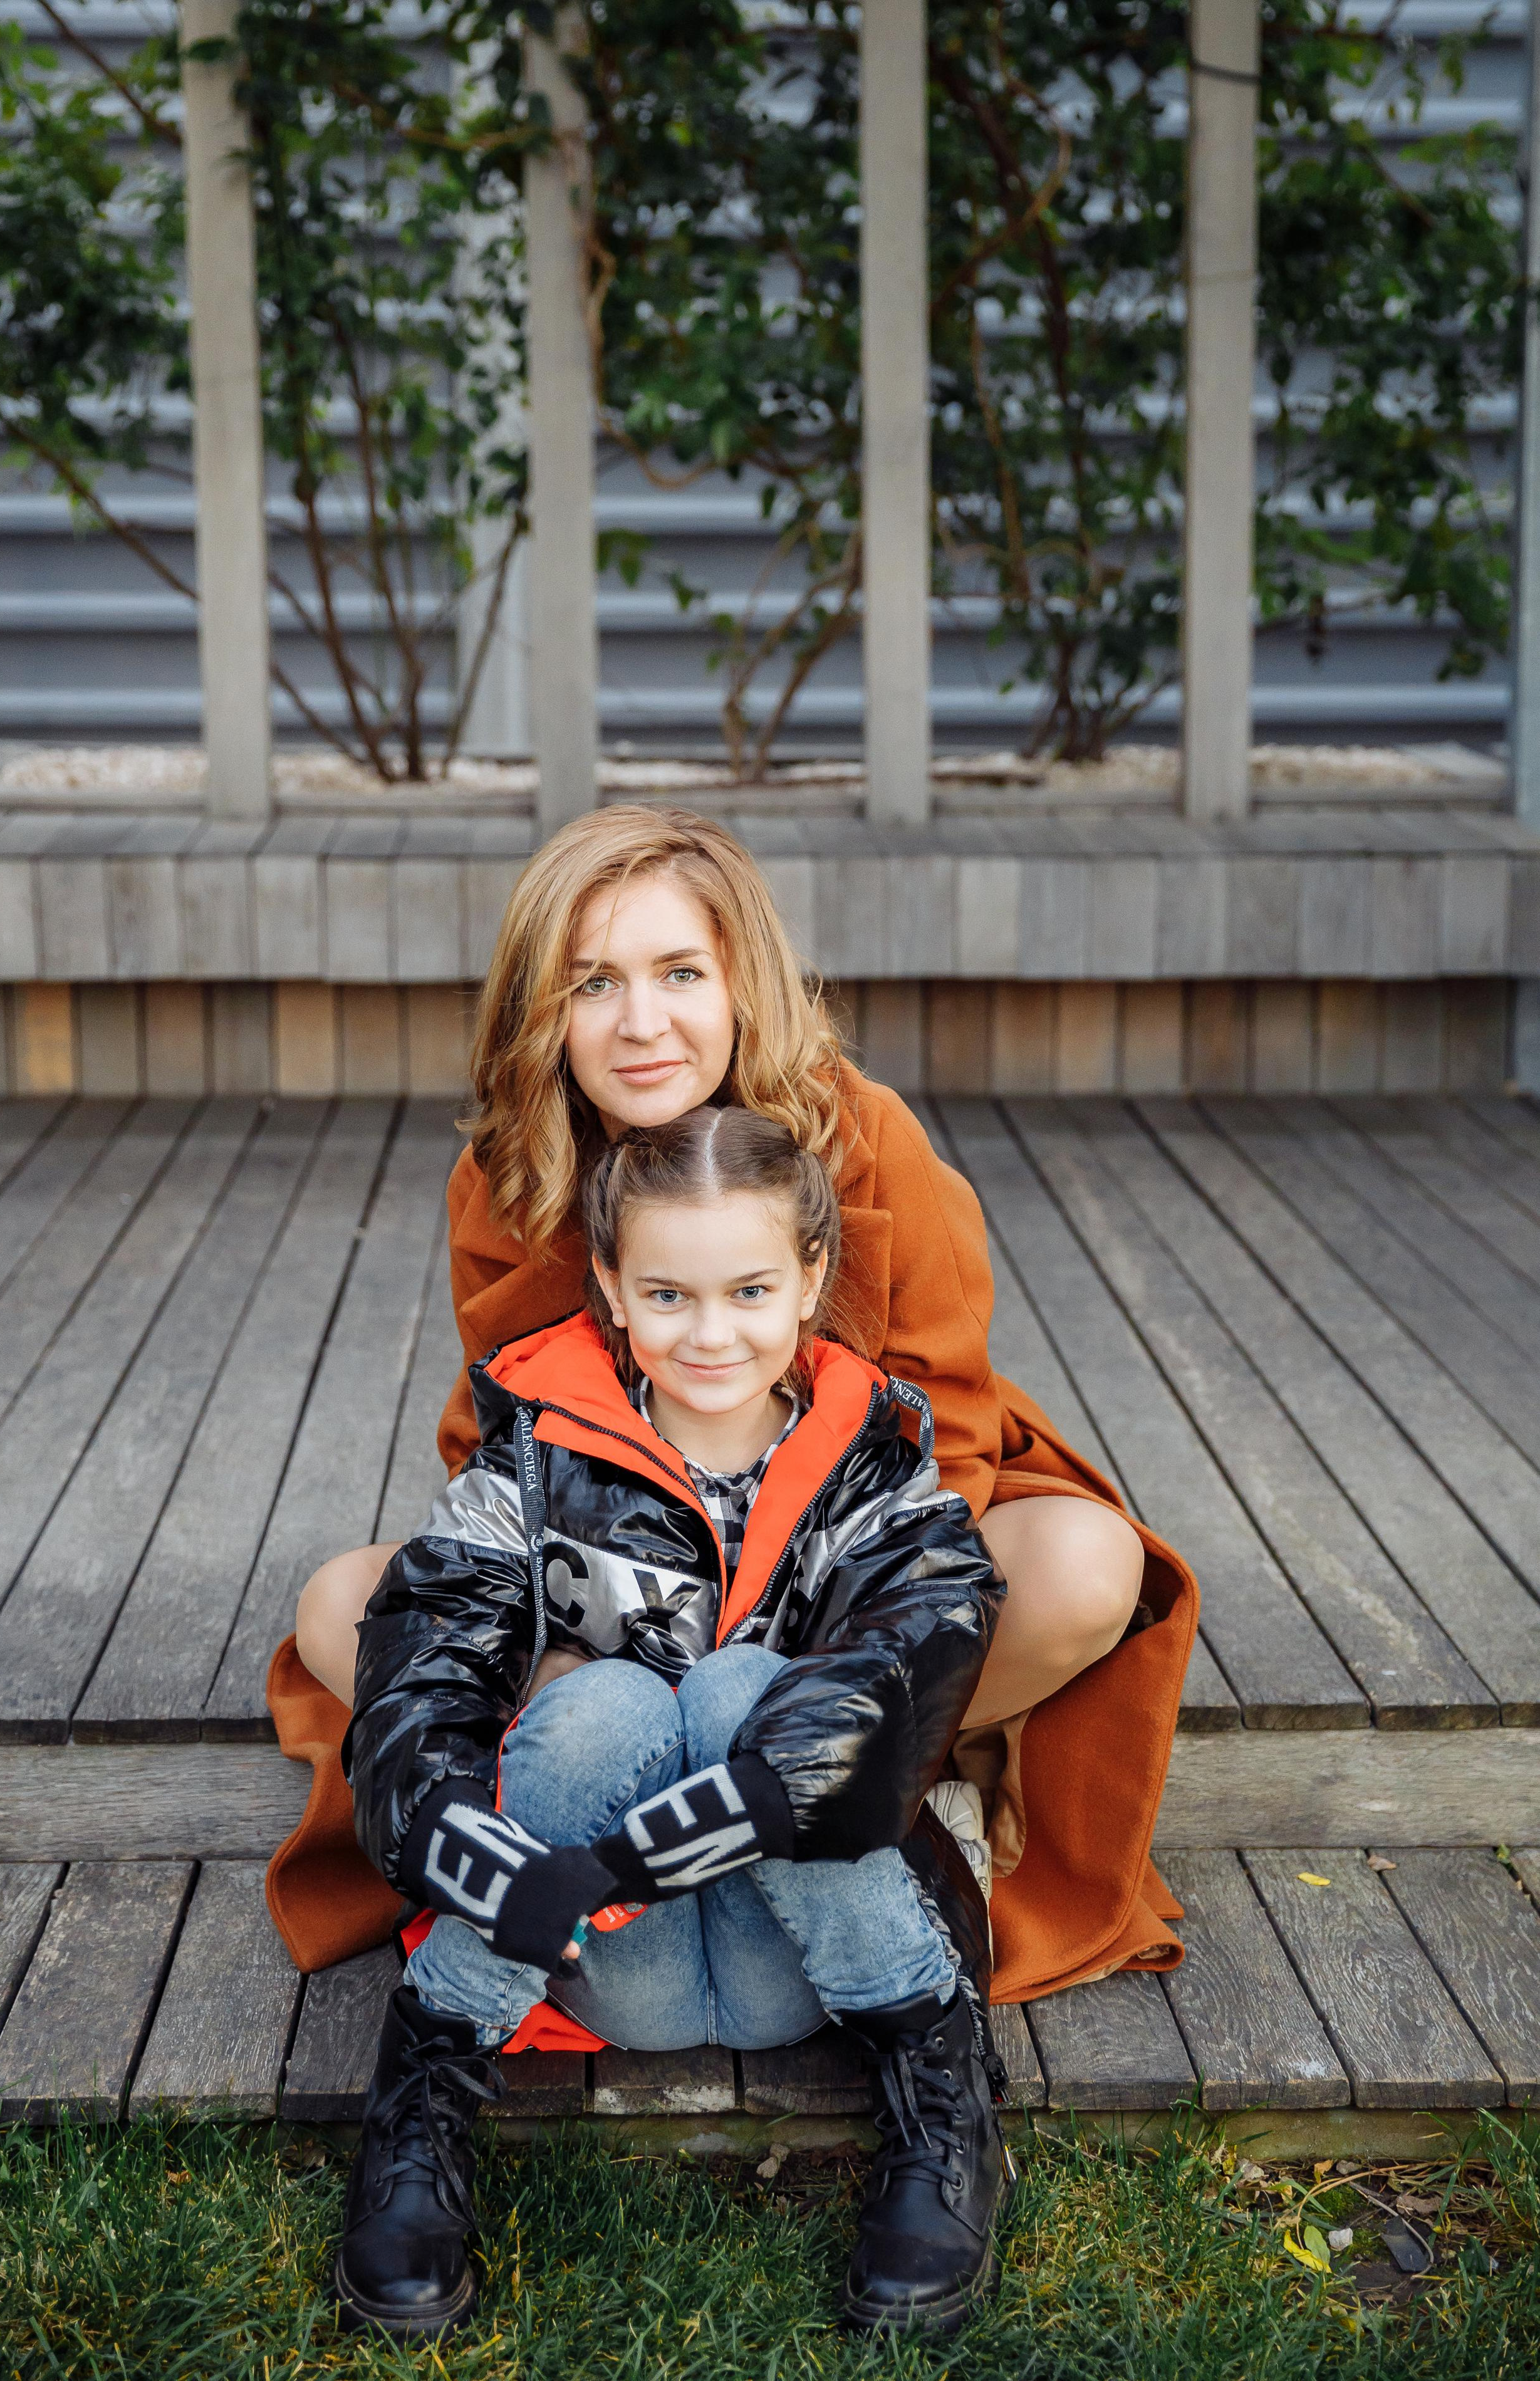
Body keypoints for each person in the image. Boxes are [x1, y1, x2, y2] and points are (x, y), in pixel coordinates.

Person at [278, 806, 1194, 2010]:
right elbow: (504, 1448)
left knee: (1086, 1562)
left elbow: (950, 1441)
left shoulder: (864, 1138)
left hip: (844, 1570)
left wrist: (801, 1644)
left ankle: (866, 1785)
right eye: (591, 982)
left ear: (741, 984)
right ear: (537, 1013)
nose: (640, 1022)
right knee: (343, 1604)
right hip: (623, 1591)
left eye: (678, 973)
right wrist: (582, 1638)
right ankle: (642, 1806)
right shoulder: (514, 1172)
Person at [336, 1107, 1009, 2341]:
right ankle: (427, 2086)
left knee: (744, 1692)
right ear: (610, 1284)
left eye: (750, 1288)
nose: (711, 1332)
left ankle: (937, 2086)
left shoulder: (873, 1460)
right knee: (602, 1700)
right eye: (669, 1292)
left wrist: (758, 1790)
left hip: (804, 1956)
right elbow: (427, 1640)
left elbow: (925, 1628)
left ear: (812, 1277)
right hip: (603, 1955)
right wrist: (449, 1836)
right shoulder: (534, 1452)